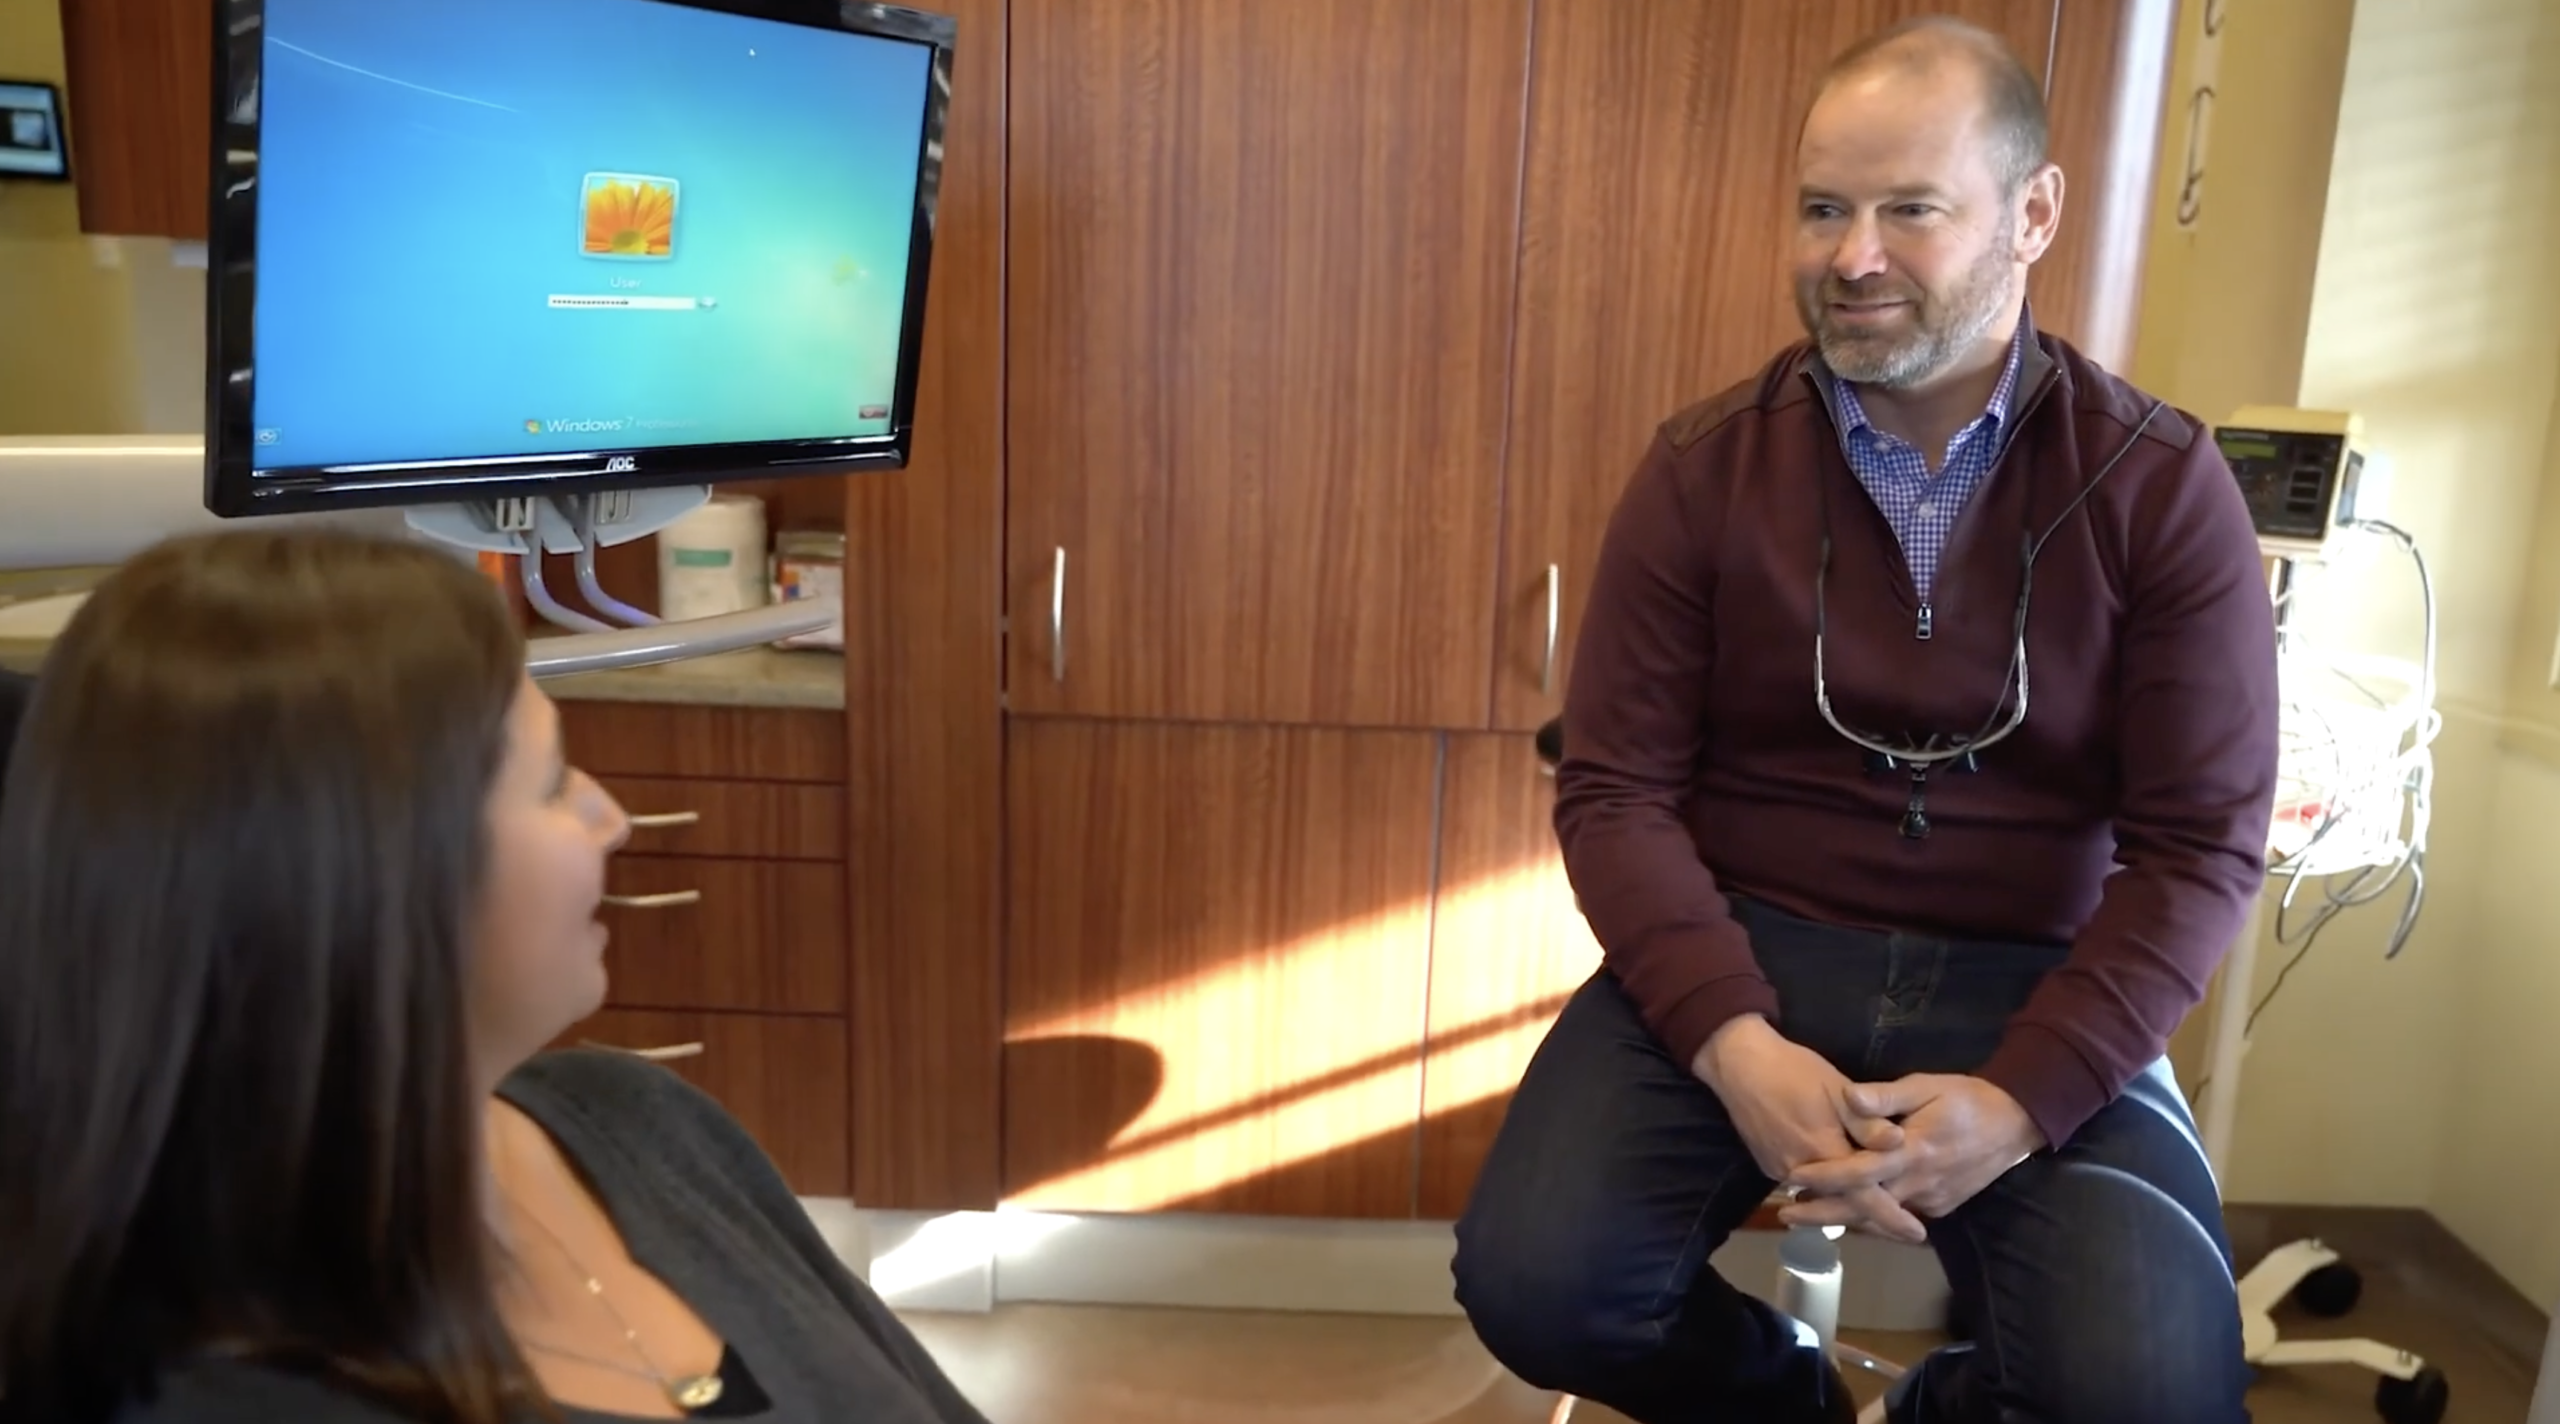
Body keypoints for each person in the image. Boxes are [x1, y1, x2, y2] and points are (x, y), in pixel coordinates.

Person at [1451, 17, 2277, 1424]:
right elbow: (1613, 794)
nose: (1852, 256)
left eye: (1910, 209)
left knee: (2151, 1394)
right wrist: (1733, 1045)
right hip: (1750, 950)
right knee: (1540, 1285)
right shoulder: (1704, 471)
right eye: (1824, 208)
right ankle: (1790, 1405)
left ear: (2033, 215)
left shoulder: (2160, 487)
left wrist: (2024, 1102)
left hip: (2033, 967)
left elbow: (2198, 849)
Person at [0, 530, 990, 1424]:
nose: (613, 816)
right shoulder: (227, 1396)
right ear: (382, 886)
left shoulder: (645, 1121)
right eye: (559, 780)